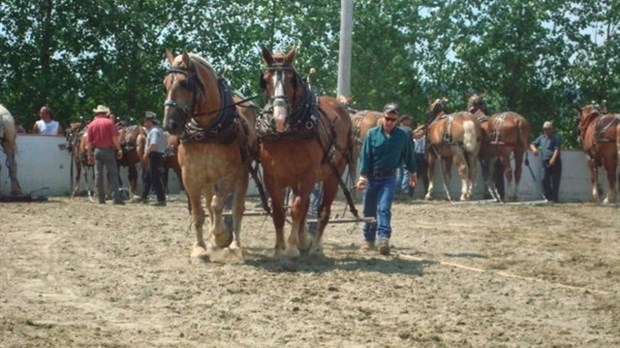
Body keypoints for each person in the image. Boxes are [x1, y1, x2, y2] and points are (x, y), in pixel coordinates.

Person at [356, 102, 417, 255]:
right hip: (371, 177)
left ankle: (383, 239)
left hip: (389, 178)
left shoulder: (402, 136)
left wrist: (413, 173)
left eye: (393, 119)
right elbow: (365, 156)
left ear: (397, 120)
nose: (389, 122)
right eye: (387, 118)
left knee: (384, 208)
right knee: (368, 210)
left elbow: (409, 156)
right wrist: (362, 177)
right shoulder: (371, 134)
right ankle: (369, 239)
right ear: (382, 117)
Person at [86, 105, 125, 205]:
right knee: (113, 174)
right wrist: (119, 149)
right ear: (105, 113)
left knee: (98, 175)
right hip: (108, 150)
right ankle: (116, 198)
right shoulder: (110, 123)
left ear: (97, 113)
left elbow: (89, 142)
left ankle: (100, 198)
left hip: (97, 150)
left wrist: (89, 154)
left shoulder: (91, 124)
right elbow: (114, 139)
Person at [133, 111, 167, 206]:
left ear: (150, 122)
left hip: (154, 155)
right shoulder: (158, 130)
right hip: (156, 155)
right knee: (147, 177)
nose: (144, 123)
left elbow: (153, 144)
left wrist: (146, 154)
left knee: (155, 178)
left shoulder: (154, 131)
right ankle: (144, 196)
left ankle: (161, 199)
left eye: (146, 121)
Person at [530, 121, 562, 202]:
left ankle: (555, 198)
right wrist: (534, 150)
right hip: (545, 161)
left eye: (548, 129)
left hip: (555, 161)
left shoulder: (556, 138)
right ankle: (548, 197)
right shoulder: (541, 138)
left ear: (551, 129)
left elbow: (557, 149)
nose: (546, 131)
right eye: (545, 129)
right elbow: (532, 144)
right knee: (544, 178)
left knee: (555, 181)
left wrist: (553, 159)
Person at [395, 115, 414, 198]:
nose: (410, 122)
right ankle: (404, 191)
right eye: (409, 120)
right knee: (406, 172)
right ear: (404, 121)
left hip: (398, 154)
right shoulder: (408, 129)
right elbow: (415, 136)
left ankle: (397, 191)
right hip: (406, 154)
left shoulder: (396, 129)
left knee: (399, 173)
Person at [412, 128, 429, 197]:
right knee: (415, 175)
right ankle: (411, 192)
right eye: (419, 131)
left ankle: (426, 192)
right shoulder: (414, 138)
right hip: (415, 155)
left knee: (425, 176)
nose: (420, 132)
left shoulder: (426, 138)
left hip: (423, 156)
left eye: (422, 131)